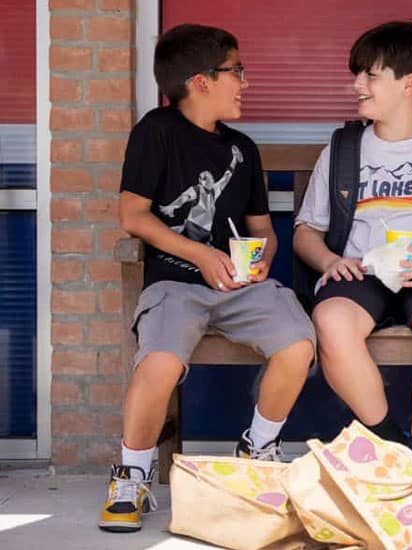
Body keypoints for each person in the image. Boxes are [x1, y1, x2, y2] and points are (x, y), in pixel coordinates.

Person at [100, 24, 315, 533]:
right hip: (175, 284)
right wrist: (199, 254)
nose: (245, 81)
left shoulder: (242, 148)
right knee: (159, 364)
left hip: (242, 289)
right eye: (236, 70)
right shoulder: (157, 131)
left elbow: (263, 231)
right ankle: (132, 475)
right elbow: (133, 216)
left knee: (298, 345)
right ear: (200, 81)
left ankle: (258, 447)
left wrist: (261, 261)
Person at [293, 21, 412, 487]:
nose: (356, 85)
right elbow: (306, 231)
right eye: (357, 74)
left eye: (369, 75)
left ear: (409, 84)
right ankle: (393, 448)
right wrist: (328, 261)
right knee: (332, 322)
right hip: (360, 269)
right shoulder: (343, 149)